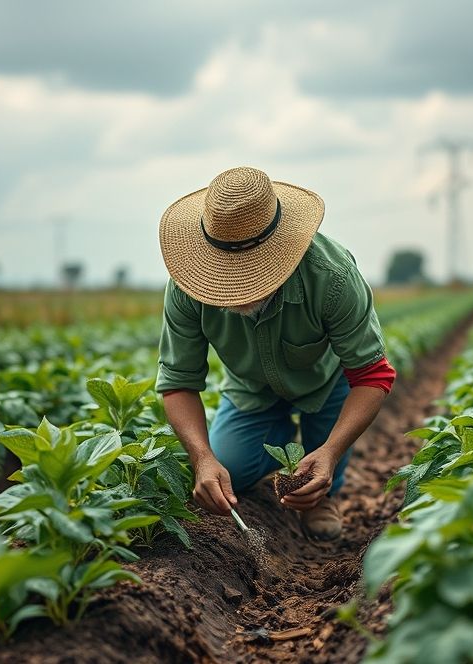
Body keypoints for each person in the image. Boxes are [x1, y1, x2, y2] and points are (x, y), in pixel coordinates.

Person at [156, 166, 395, 540]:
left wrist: (330, 452)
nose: (237, 288)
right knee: (229, 464)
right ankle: (279, 441)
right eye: (225, 276)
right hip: (251, 389)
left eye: (248, 276)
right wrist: (202, 458)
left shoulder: (332, 276)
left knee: (321, 464)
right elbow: (177, 383)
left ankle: (321, 492)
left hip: (326, 383)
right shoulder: (187, 287)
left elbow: (372, 375)